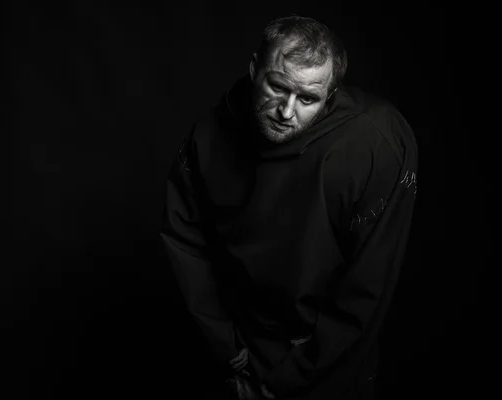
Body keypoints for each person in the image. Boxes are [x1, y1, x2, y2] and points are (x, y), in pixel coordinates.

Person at [159, 15, 417, 400]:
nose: (286, 111)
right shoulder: (210, 133)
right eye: (277, 87)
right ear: (253, 69)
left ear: (329, 95)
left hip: (325, 358)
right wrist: (225, 346)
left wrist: (295, 374)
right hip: (240, 348)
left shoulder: (376, 143)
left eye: (308, 98)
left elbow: (369, 281)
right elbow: (185, 241)